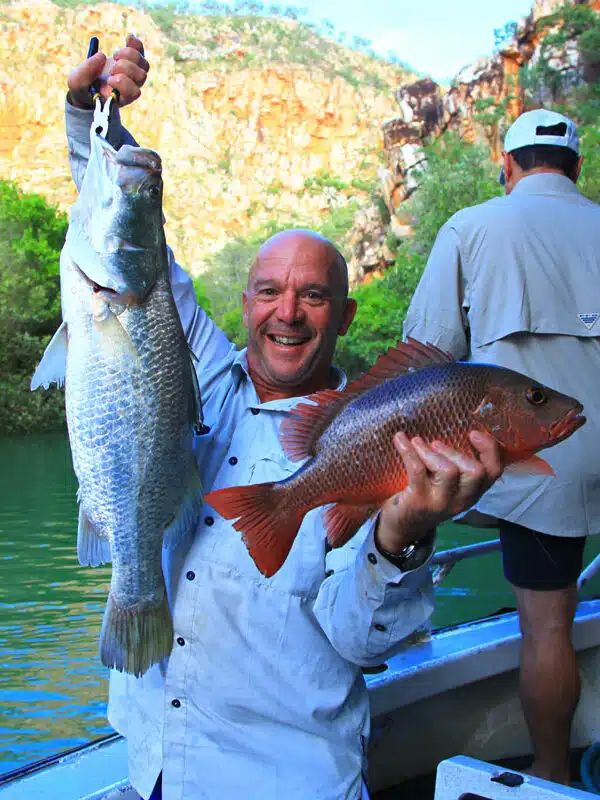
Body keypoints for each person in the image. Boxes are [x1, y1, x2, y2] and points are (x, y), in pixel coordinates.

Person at [65, 36, 504, 800]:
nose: (288, 314)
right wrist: (93, 118)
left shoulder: (384, 437)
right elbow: (128, 253)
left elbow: (361, 642)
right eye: (269, 292)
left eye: (313, 296)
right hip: (154, 768)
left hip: (284, 781)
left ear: (345, 314)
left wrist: (402, 535)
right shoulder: (194, 368)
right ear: (244, 305)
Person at [404, 108, 600, 785]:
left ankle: (553, 773)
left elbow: (428, 356)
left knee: (547, 629)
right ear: (576, 168)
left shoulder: (472, 226)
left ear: (507, 166)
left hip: (541, 467)